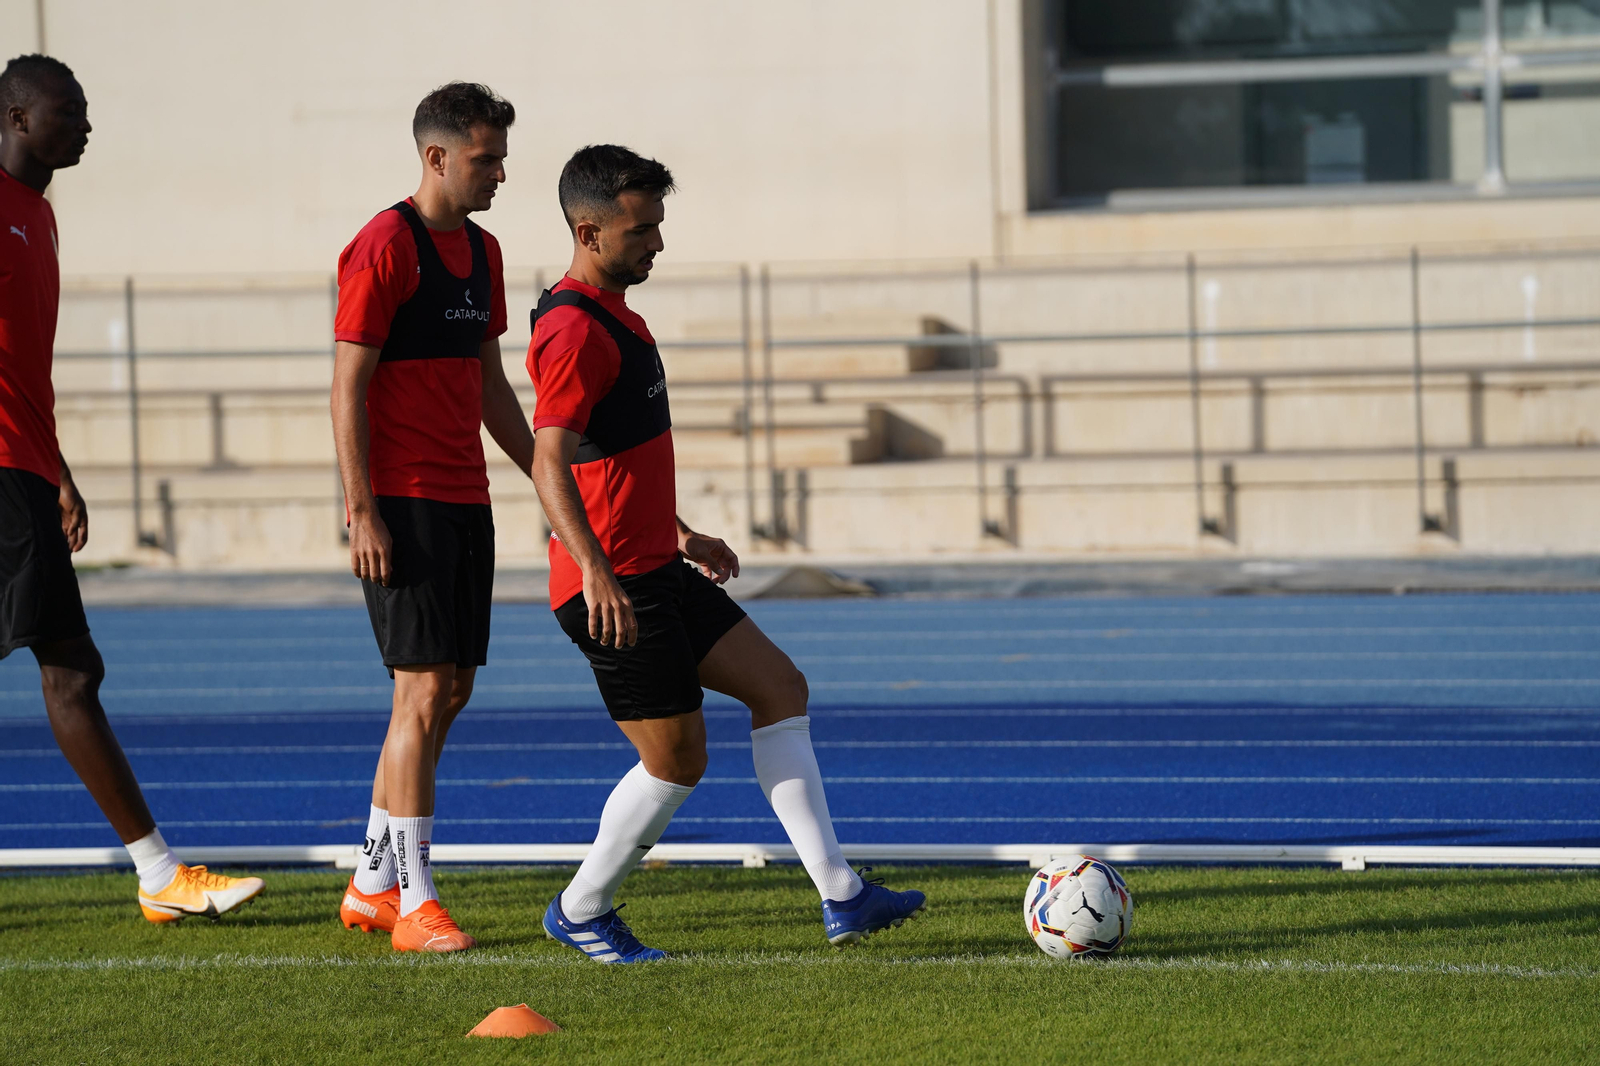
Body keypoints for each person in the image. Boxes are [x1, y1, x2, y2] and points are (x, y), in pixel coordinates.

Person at [528, 144, 925, 963]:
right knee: (675, 763)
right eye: (641, 231)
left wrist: (679, 533)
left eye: (659, 226)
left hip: (654, 567)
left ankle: (843, 896)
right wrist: (599, 570)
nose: (657, 245)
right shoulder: (572, 330)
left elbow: (614, 458)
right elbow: (548, 459)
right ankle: (581, 908)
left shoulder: (615, 315)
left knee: (780, 687)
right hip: (610, 589)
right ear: (588, 229)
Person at [0, 54, 265, 921]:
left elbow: (20, 371)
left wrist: (60, 470)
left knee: (73, 672)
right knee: (70, 672)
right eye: (66, 109)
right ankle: (159, 874)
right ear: (15, 117)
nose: (84, 123)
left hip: (27, 472)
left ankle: (160, 876)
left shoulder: (37, 215)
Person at [330, 82, 532, 954]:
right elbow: (347, 389)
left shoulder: (484, 253)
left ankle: (374, 881)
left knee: (450, 690)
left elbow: (491, 384)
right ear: (437, 157)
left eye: (502, 159)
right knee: (418, 692)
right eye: (486, 159)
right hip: (403, 501)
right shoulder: (383, 246)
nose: (498, 174)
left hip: (466, 498)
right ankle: (416, 901)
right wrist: (360, 509)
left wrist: (547, 481)